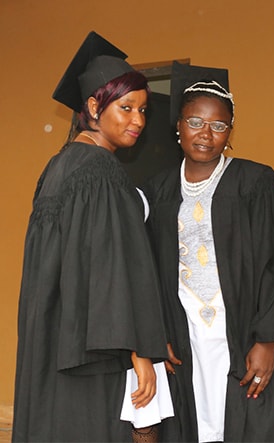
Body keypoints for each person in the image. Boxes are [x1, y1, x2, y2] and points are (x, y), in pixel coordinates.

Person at [143, 61, 274, 442]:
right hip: (184, 336)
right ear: (178, 125)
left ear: (230, 131)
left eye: (218, 125)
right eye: (195, 122)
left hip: (242, 338)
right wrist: (159, 333)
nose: (206, 134)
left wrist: (269, 342)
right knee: (191, 426)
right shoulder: (159, 191)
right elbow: (149, 270)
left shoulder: (256, 183)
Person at [13, 31, 170, 442]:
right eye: (126, 107)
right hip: (93, 350)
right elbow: (109, 269)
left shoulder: (60, 165)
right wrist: (139, 351)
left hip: (57, 340)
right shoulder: (99, 172)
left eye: (143, 109)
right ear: (93, 107)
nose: (138, 120)